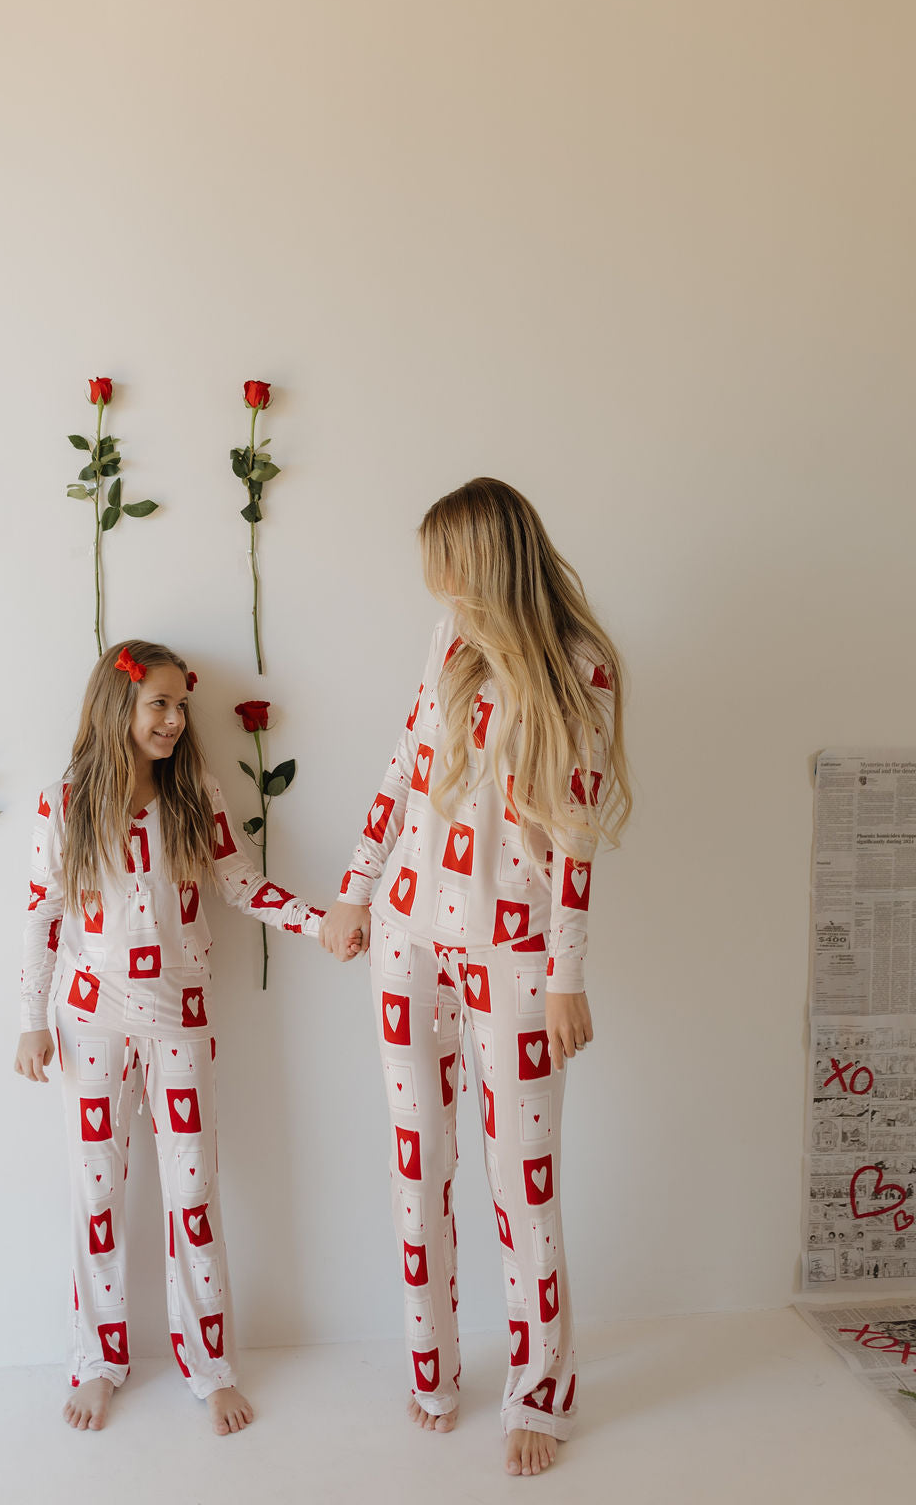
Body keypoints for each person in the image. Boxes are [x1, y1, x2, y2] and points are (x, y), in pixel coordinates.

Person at [321, 479, 630, 1478]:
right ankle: (431, 1369)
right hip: (409, 938)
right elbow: (401, 766)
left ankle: (539, 1391)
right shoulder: (449, 644)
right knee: (418, 1166)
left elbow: (576, 830)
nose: (435, 587)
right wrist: (355, 891)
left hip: (515, 953)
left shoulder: (582, 668)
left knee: (519, 1185)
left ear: (484, 558)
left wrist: (565, 974)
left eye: (445, 565)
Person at [14, 640, 355, 1434]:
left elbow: (240, 885)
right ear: (118, 706)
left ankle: (209, 1366)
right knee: (96, 1190)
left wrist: (321, 920)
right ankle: (98, 1359)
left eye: (179, 704)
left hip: (179, 1018)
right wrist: (32, 1021)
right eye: (156, 703)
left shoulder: (194, 795)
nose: (172, 719)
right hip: (90, 1016)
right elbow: (39, 917)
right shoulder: (63, 801)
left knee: (192, 1190)